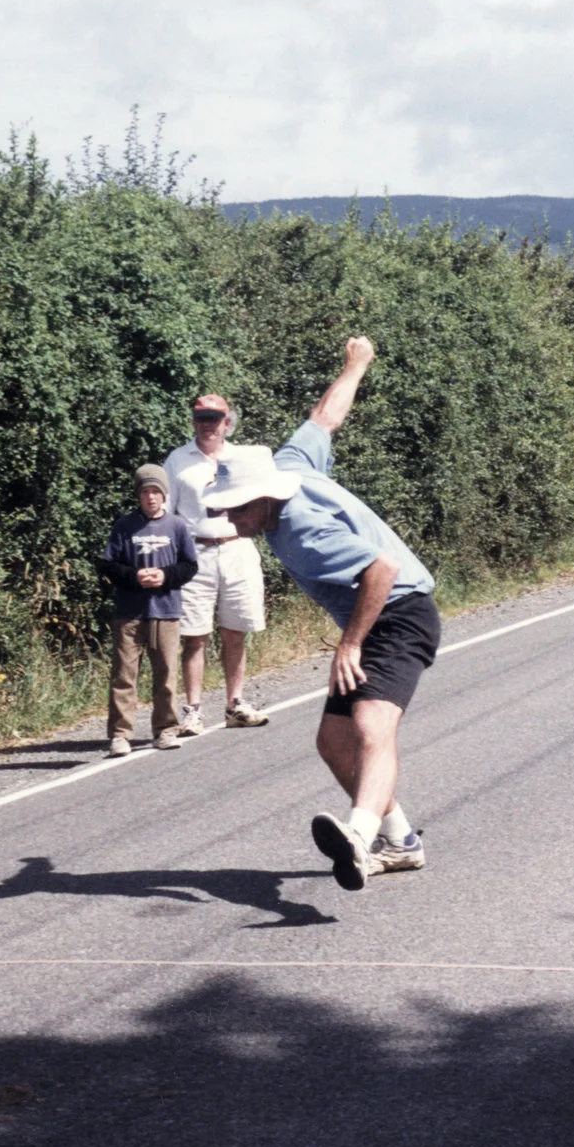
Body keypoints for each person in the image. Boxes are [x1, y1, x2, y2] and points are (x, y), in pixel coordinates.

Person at [200, 338, 440, 891]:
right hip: (377, 612)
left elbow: (380, 570)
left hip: (400, 612)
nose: (226, 519)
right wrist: (355, 365)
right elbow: (324, 418)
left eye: (233, 510)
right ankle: (400, 841)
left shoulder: (304, 533)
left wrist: (350, 644)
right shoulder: (288, 465)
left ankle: (359, 833)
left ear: (261, 500)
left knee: (370, 724)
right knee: (333, 743)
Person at [164, 394, 270, 736]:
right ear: (194, 421)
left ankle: (235, 704)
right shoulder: (179, 460)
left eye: (215, 418)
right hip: (196, 553)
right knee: (195, 635)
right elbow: (167, 513)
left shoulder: (242, 458)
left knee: (235, 631)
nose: (208, 425)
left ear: (228, 422)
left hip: (237, 548)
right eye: (201, 418)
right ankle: (192, 711)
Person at [98, 464, 199, 756]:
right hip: (130, 612)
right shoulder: (124, 526)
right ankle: (120, 734)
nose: (151, 497)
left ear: (164, 494)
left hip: (166, 610)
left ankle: (165, 729)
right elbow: (107, 565)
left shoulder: (177, 526)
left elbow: (190, 565)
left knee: (166, 674)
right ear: (138, 496)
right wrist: (134, 577)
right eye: (145, 492)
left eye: (156, 491)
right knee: (123, 676)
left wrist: (165, 575)